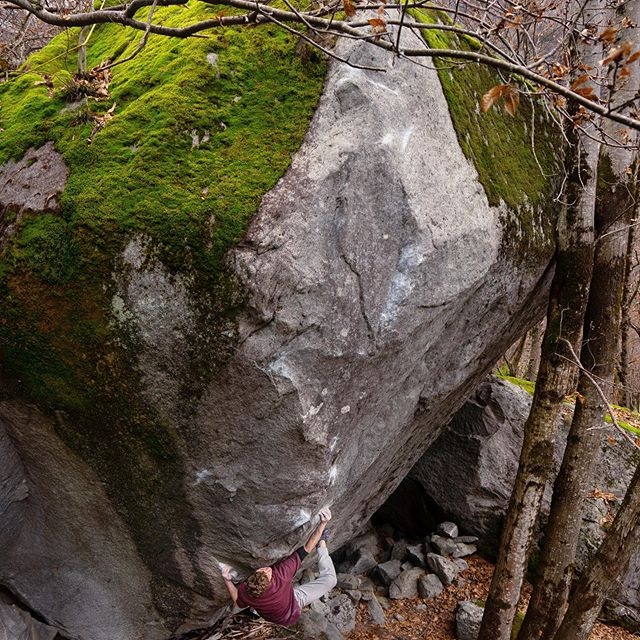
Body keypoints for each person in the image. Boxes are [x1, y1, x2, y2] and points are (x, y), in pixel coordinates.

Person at [221, 508, 337, 626]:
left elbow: (238, 602)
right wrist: (323, 523)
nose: (267, 569)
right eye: (267, 572)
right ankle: (322, 544)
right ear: (272, 581)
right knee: (331, 580)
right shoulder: (281, 576)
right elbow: (306, 549)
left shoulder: (247, 592)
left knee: (270, 603)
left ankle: (259, 607)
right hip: (294, 603)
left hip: (277, 614)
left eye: (261, 570)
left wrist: (227, 580)